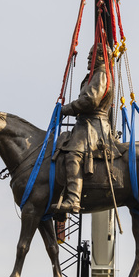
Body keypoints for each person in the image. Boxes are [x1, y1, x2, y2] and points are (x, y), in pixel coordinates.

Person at [51, 43, 114, 214]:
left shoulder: (101, 74)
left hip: (94, 125)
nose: (88, 57)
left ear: (101, 57)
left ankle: (73, 199)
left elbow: (90, 101)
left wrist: (66, 109)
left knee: (74, 154)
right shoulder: (94, 75)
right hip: (85, 124)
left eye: (91, 54)